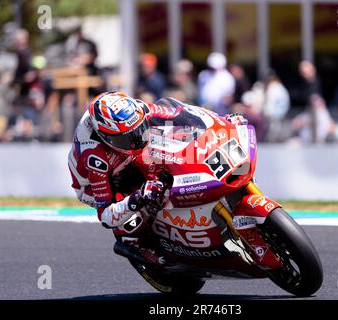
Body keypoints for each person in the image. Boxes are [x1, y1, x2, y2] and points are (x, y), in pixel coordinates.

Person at [67, 91, 247, 265]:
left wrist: (222, 120)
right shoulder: (95, 157)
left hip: (127, 156)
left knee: (170, 150)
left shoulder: (137, 111)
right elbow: (105, 215)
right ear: (106, 137)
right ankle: (136, 246)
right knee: (133, 218)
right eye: (126, 138)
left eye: (139, 130)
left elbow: (183, 113)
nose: (136, 140)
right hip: (96, 183)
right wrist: (138, 197)